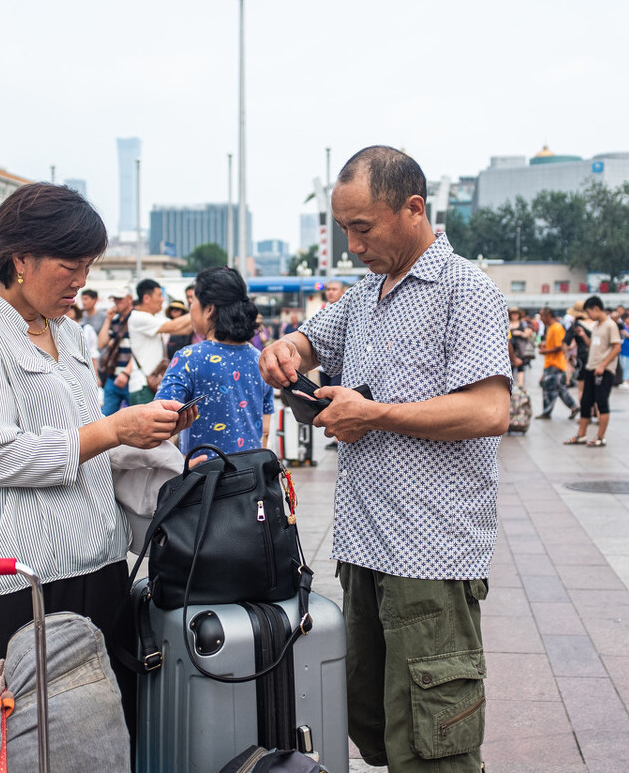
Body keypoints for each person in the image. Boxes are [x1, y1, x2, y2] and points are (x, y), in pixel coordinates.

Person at [259, 146, 510, 772]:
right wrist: (286, 349)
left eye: (363, 228)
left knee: (433, 741)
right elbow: (313, 338)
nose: (352, 245)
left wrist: (375, 413)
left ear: (414, 209)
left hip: (431, 551)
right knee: (373, 719)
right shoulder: (368, 293)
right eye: (344, 229)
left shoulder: (465, 290)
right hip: (364, 547)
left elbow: (488, 412)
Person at [0, 183, 196, 736]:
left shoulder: (71, 333)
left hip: (97, 566)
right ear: (20, 258)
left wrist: (148, 436)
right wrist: (109, 430)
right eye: (69, 265)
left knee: (100, 739)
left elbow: (87, 438)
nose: (80, 281)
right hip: (17, 581)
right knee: (17, 743)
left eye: (87, 265)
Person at [156, 266, 275, 458]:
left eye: (193, 301)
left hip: (204, 480)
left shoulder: (188, 358)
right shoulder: (261, 359)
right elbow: (266, 430)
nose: (190, 308)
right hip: (251, 479)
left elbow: (160, 422)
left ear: (209, 309)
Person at [123, 279, 193, 405]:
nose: (162, 300)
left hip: (151, 384)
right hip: (142, 386)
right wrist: (198, 308)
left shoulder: (154, 318)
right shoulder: (138, 317)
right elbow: (174, 326)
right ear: (146, 298)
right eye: (159, 295)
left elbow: (184, 330)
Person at [564, 296, 620, 447]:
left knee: (601, 402)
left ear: (596, 308)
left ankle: (600, 437)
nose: (588, 316)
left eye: (589, 312)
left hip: (603, 370)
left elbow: (617, 347)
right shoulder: (596, 326)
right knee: (586, 402)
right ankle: (581, 435)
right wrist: (583, 336)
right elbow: (592, 345)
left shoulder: (610, 325)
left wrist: (603, 365)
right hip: (590, 368)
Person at [536, 306, 578, 419]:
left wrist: (545, 351)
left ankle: (547, 411)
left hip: (555, 363)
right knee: (558, 388)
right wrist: (544, 345)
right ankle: (573, 407)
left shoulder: (556, 328)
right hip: (551, 363)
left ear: (548, 315)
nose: (541, 319)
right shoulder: (551, 328)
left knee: (550, 389)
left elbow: (560, 346)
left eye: (542, 316)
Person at [98, 291, 133, 416]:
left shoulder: (136, 318)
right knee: (105, 417)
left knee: (135, 419)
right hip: (113, 376)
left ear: (130, 299)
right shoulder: (115, 320)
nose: (117, 303)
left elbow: (140, 351)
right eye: (115, 299)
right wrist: (108, 319)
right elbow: (101, 343)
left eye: (120, 299)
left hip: (131, 378)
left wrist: (126, 373)